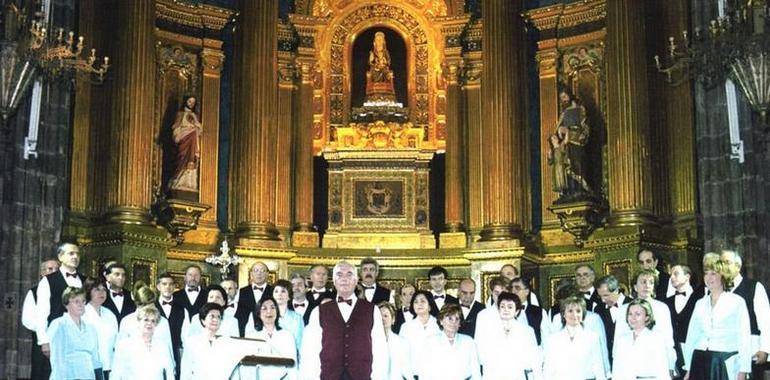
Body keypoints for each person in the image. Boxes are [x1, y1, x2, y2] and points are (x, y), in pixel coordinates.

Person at [300, 260, 388, 380]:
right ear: (334, 282)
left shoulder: (372, 310)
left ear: (356, 280)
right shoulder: (318, 311)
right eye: (339, 275)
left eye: (349, 274)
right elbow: (310, 352)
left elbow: (380, 350)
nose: (344, 279)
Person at [683, 258, 752, 380]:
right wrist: (688, 367)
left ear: (723, 276)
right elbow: (692, 335)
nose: (708, 277)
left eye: (713, 274)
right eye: (706, 273)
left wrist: (744, 369)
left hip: (724, 361)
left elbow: (744, 336)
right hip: (699, 359)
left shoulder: (737, 302)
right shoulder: (700, 303)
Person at [720, 250, 770, 379]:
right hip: (725, 351)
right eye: (721, 263)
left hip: (751, 351)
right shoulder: (718, 290)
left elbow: (765, 320)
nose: (723, 266)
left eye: (727, 262)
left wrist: (765, 349)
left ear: (738, 266)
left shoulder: (754, 287)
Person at [615, 269, 676, 372]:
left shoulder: (662, 308)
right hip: (631, 361)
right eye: (643, 282)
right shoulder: (624, 309)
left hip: (656, 361)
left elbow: (668, 340)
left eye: (651, 282)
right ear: (635, 286)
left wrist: (670, 366)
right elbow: (618, 338)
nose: (647, 285)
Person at [35, 243, 86, 362]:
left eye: (77, 254)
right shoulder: (48, 281)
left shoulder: (85, 280)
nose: (75, 257)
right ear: (60, 257)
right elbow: (42, 313)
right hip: (58, 336)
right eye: (71, 253)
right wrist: (44, 341)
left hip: (82, 338)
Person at [476, 292, 541, 379]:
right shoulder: (488, 330)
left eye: (510, 307)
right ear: (498, 309)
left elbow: (534, 360)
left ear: (517, 311)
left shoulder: (526, 331)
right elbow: (481, 356)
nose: (505, 310)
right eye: (502, 306)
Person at [543, 295, 606, 380]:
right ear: (563, 314)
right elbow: (548, 369)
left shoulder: (592, 337)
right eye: (570, 311)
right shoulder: (553, 339)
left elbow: (599, 368)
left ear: (583, 314)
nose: (574, 315)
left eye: (578, 311)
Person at [47, 286, 103, 380]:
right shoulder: (59, 325)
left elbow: (95, 360)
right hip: (68, 376)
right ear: (66, 304)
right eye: (76, 301)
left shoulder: (91, 328)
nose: (81, 304)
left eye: (83, 301)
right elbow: (57, 361)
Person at [416, 304, 481, 380]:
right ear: (441, 321)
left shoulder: (469, 342)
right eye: (450, 318)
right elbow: (424, 372)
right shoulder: (430, 342)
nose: (453, 322)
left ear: (460, 323)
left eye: (457, 319)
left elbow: (476, 372)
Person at [612, 299, 671, 380]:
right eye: (630, 314)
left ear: (647, 317)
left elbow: (663, 371)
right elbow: (616, 370)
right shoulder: (622, 340)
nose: (633, 318)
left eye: (638, 314)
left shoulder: (656, 338)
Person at [111, 306, 175, 380]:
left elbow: (170, 373)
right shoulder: (124, 345)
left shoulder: (163, 345)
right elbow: (116, 374)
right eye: (146, 320)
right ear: (138, 322)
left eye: (153, 321)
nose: (149, 323)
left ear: (156, 324)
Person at [550, 87, 592, 200]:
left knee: (577, 165)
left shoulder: (580, 109)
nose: (563, 100)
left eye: (564, 97)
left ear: (570, 96)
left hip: (577, 141)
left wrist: (574, 132)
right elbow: (556, 130)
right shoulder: (564, 113)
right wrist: (557, 135)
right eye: (561, 98)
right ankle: (571, 191)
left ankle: (581, 190)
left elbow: (586, 127)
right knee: (567, 166)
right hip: (566, 143)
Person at [664, 264, 704, 378]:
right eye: (670, 275)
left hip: (695, 349)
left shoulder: (700, 298)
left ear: (687, 277)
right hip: (675, 352)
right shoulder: (667, 302)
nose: (672, 277)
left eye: (676, 274)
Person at [243, 297, 298, 380]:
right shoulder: (251, 336)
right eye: (264, 308)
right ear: (258, 313)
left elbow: (293, 365)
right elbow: (247, 368)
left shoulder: (287, 335)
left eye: (273, 307)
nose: (269, 311)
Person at [22, 259, 58, 380]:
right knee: (41, 373)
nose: (54, 272)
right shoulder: (33, 292)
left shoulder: (63, 291)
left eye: (56, 269)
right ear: (42, 273)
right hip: (41, 340)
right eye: (50, 269)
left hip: (60, 339)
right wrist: (44, 330)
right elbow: (27, 319)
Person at [180, 303, 233, 380]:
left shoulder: (226, 342)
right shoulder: (192, 342)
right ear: (203, 320)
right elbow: (186, 370)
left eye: (219, 317)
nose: (216, 319)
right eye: (212, 316)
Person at [82, 280, 119, 379]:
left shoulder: (110, 314)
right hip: (88, 366)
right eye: (97, 290)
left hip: (109, 365)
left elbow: (116, 341)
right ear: (88, 292)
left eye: (104, 290)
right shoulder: (82, 313)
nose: (102, 292)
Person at [398, 289, 440, 374]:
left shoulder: (440, 325)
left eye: (423, 301)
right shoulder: (405, 327)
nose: (419, 304)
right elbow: (401, 355)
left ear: (430, 306)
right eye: (416, 302)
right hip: (413, 375)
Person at [153, 272, 186, 374]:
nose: (168, 287)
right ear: (158, 286)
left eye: (171, 284)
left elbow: (185, 334)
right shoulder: (150, 307)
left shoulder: (182, 309)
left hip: (176, 352)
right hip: (154, 351)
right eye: (164, 284)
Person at [168, 95, 202, 192]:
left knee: (191, 160)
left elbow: (199, 129)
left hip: (192, 141)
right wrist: (180, 134)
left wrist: (196, 128)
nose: (191, 104)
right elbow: (176, 127)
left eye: (193, 102)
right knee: (182, 158)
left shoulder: (194, 115)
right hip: (184, 140)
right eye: (189, 101)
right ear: (185, 101)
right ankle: (179, 181)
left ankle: (188, 183)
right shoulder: (180, 114)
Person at [257, 279, 303, 351]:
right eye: (276, 291)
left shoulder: (297, 318)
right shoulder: (265, 315)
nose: (279, 294)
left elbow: (300, 345)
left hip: (289, 357)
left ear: (289, 296)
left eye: (283, 291)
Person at [595, 274, 632, 364]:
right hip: (609, 361)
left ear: (616, 290)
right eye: (600, 296)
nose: (603, 300)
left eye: (606, 295)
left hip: (630, 358)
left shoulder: (633, 305)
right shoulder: (598, 309)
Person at [236, 261, 273, 336]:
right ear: (251, 274)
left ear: (267, 274)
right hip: (245, 333)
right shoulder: (241, 291)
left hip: (267, 333)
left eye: (262, 271)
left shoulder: (273, 291)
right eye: (256, 270)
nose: (259, 273)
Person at [510, 276, 549, 345]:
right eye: (511, 288)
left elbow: (546, 337)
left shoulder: (539, 312)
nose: (513, 291)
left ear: (526, 291)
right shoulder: (505, 311)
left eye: (517, 288)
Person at [378, 302, 412, 380]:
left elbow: (407, 370)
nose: (382, 319)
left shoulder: (402, 343)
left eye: (386, 316)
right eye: (379, 316)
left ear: (393, 319)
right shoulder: (369, 342)